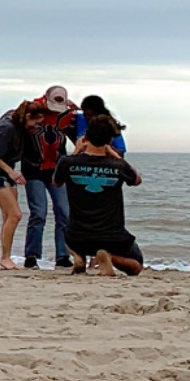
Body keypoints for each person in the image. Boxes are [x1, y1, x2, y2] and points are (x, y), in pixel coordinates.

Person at [53, 114, 143, 276]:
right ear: (109, 141)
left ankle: (79, 257)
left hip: (77, 237)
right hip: (113, 238)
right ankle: (110, 257)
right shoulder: (118, 165)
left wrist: (75, 153)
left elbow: (56, 182)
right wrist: (115, 156)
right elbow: (136, 180)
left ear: (86, 137)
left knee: (65, 228)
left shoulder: (68, 162)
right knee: (136, 266)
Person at [19, 85, 76, 268]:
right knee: (38, 213)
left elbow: (81, 136)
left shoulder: (68, 116)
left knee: (64, 212)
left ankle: (63, 255)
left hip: (57, 169)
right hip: (33, 169)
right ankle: (32, 256)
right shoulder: (33, 110)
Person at [0, 101, 32, 270]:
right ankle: (5, 258)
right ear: (28, 117)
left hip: (8, 169)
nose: (37, 127)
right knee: (15, 215)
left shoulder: (15, 116)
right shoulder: (7, 128)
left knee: (8, 216)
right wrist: (11, 172)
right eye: (36, 122)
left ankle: (5, 257)